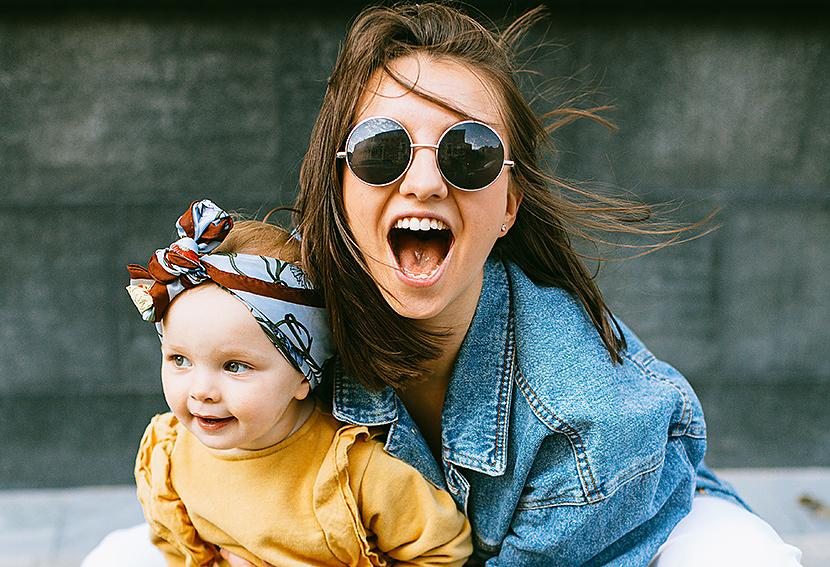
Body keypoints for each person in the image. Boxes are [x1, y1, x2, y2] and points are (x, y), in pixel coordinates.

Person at [85, 3, 803, 566]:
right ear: (339, 188)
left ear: (509, 205)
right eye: (381, 149)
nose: (424, 180)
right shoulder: (288, 307)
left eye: (469, 151)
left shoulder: (590, 418)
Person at [121, 199, 472, 566]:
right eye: (180, 360)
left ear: (303, 376)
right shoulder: (169, 454)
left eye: (235, 366)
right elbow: (176, 548)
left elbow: (443, 552)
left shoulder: (355, 472)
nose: (200, 390)